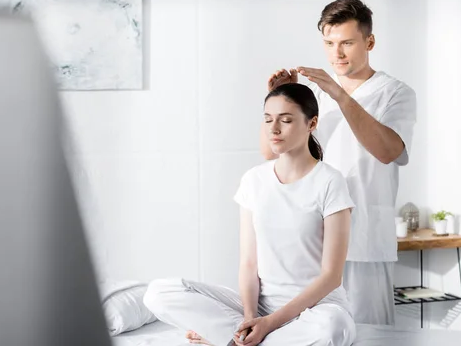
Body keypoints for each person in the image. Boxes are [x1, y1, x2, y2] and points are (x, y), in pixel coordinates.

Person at [144, 83, 356, 346]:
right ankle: (243, 337)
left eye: (286, 120)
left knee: (332, 330)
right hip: (262, 306)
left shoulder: (330, 182)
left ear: (312, 123)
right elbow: (249, 264)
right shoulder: (254, 180)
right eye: (268, 120)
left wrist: (269, 324)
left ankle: (228, 340)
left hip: (317, 309)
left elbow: (331, 277)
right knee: (159, 293)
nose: (274, 129)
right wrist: (250, 318)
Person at [261, 0, 417, 326]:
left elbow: (388, 151)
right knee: (313, 333)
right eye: (329, 44)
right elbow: (273, 153)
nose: (337, 54)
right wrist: (280, 99)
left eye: (347, 43)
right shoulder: (314, 95)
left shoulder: (395, 93)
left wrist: (340, 95)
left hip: (365, 241)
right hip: (312, 239)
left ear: (369, 42)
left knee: (369, 334)